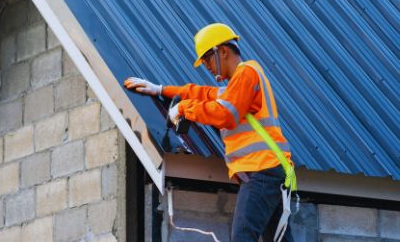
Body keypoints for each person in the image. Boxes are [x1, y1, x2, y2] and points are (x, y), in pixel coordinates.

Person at [124, 23, 295, 242]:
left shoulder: (247, 73)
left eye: (206, 59)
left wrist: (184, 109)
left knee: (243, 236)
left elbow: (226, 114)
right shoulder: (238, 84)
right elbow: (204, 93)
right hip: (269, 170)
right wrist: (160, 89)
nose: (207, 67)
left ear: (222, 51)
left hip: (261, 169)